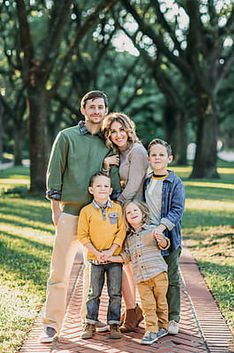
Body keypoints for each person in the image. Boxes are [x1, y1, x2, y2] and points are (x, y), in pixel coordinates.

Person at [39, 90, 121, 343]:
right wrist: (56, 210)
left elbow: (113, 183)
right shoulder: (66, 137)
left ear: (105, 110)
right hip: (71, 212)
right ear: (83, 110)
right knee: (59, 270)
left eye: (101, 107)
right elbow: (55, 173)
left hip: (98, 217)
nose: (97, 111)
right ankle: (52, 324)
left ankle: (90, 320)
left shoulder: (109, 143)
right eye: (92, 107)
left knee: (93, 272)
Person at [102, 112, 149, 332]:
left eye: (121, 129)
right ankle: (132, 308)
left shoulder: (137, 151)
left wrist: (115, 207)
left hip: (133, 213)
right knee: (124, 263)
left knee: (129, 263)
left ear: (129, 130)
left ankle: (136, 310)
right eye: (113, 131)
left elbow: (133, 186)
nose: (118, 134)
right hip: (122, 211)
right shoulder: (117, 153)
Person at [109, 200, 170, 345]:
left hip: (158, 274)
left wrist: (161, 239)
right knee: (148, 305)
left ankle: (163, 326)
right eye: (128, 212)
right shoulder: (128, 239)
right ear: (126, 219)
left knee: (161, 303)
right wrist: (111, 257)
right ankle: (151, 330)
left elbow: (165, 244)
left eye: (135, 210)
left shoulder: (152, 230)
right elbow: (127, 257)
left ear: (143, 213)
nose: (132, 213)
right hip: (141, 279)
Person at [144, 138, 185, 335]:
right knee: (153, 279)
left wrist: (161, 227)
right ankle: (157, 317)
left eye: (161, 154)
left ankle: (173, 318)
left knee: (171, 278)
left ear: (169, 158)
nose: (157, 158)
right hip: (148, 238)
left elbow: (177, 210)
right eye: (154, 155)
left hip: (169, 237)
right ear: (149, 158)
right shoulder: (147, 181)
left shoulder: (175, 182)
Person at [78, 172, 126, 340]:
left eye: (106, 186)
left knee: (115, 293)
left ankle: (114, 324)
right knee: (94, 293)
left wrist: (111, 251)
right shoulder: (86, 211)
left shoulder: (117, 209)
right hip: (95, 258)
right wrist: (97, 253)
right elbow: (82, 235)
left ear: (111, 189)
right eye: (98, 186)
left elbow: (122, 232)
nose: (102, 189)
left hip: (113, 259)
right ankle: (90, 324)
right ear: (91, 189)